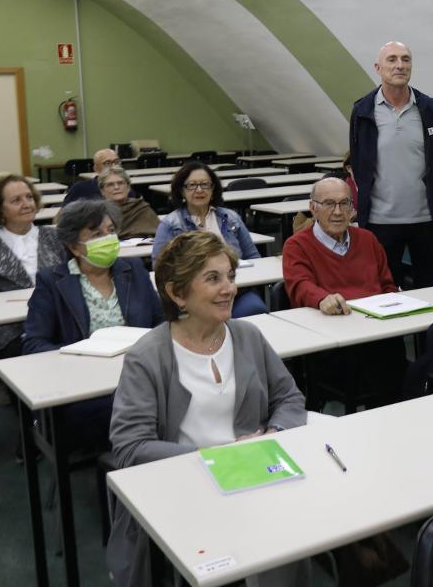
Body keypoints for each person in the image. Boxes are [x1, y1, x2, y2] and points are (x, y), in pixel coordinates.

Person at [107, 231, 307, 586]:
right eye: (213, 279)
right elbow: (130, 447)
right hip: (184, 487)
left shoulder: (247, 336)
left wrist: (272, 436)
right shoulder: (147, 356)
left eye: (230, 276)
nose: (228, 288)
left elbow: (289, 399)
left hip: (255, 476)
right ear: (177, 292)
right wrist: (211, 456)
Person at [22, 199, 163, 446]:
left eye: (111, 231)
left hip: (140, 371)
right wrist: (81, 355)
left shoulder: (133, 269)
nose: (108, 239)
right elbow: (34, 344)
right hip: (85, 383)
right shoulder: (51, 282)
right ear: (75, 247)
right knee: (124, 410)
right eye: (97, 234)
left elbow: (161, 321)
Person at [283, 176, 405, 405]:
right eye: (329, 203)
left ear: (352, 209)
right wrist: (322, 300)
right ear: (313, 208)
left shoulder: (367, 239)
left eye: (345, 203)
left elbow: (387, 284)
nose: (338, 211)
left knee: (402, 360)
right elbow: (299, 285)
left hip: (375, 331)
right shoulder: (297, 245)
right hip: (332, 336)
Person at [349, 41, 433, 288]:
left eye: (405, 59)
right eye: (392, 60)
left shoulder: (430, 108)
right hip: (379, 222)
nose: (400, 66)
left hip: (426, 221)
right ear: (378, 67)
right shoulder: (363, 110)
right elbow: (359, 162)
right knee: (384, 294)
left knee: (430, 291)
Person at [0, 174, 64, 355]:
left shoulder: (54, 237)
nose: (26, 204)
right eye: (16, 200)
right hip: (8, 329)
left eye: (29, 197)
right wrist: (0, 306)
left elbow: (73, 278)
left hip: (56, 319)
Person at [153, 162, 265, 317]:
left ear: (213, 190)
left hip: (234, 288)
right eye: (192, 185)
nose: (199, 190)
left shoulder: (230, 218)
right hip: (194, 295)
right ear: (182, 191)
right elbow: (160, 269)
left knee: (254, 309)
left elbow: (253, 257)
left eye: (205, 184)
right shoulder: (170, 225)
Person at [97, 165, 159, 239]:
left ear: (128, 187)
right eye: (110, 184)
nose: (116, 187)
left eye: (120, 183)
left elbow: (159, 235)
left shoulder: (141, 208)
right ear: (102, 191)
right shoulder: (97, 213)